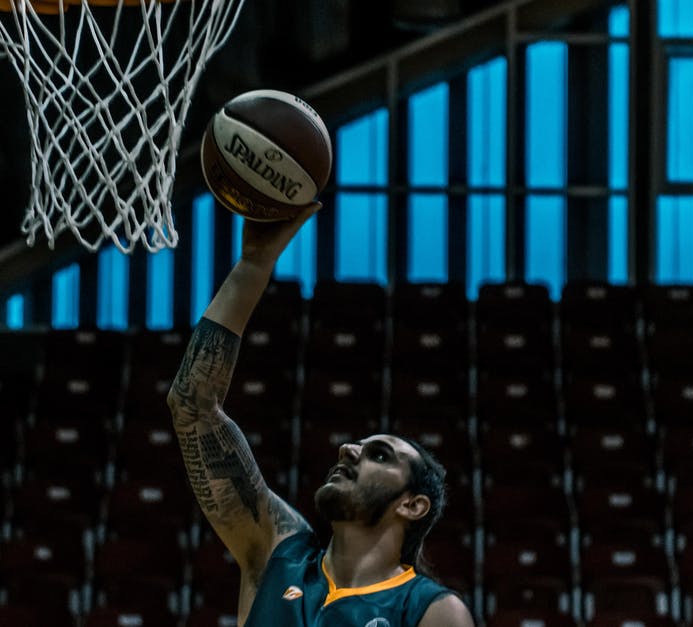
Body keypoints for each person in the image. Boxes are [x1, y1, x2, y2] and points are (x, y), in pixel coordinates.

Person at [167, 202, 476, 627]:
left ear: (413, 504)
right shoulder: (277, 551)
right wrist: (254, 265)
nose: (348, 449)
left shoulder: (431, 610)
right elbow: (192, 406)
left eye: (380, 455)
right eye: (359, 445)